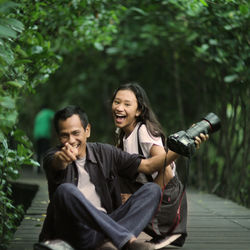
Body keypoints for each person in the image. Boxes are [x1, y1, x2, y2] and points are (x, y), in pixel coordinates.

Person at [35, 105, 177, 250]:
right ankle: (126, 242)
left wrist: (179, 150)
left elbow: (148, 166)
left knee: (152, 190)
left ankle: (105, 242)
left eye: (75, 133)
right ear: (59, 137)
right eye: (65, 135)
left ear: (87, 130)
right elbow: (55, 162)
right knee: (65, 190)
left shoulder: (105, 152)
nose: (71, 140)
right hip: (72, 231)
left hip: (108, 224)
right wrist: (61, 160)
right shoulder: (52, 156)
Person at [111, 83, 208, 248]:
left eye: (127, 104)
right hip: (151, 191)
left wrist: (140, 201)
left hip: (166, 198)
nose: (119, 108)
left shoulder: (143, 131)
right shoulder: (123, 133)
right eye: (116, 102)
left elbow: (167, 173)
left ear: (139, 111)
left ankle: (161, 229)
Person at [33, 107, 55, 171]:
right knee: (46, 152)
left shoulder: (38, 115)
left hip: (37, 135)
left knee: (39, 152)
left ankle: (38, 168)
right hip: (45, 134)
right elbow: (55, 116)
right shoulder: (47, 112)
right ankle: (47, 168)